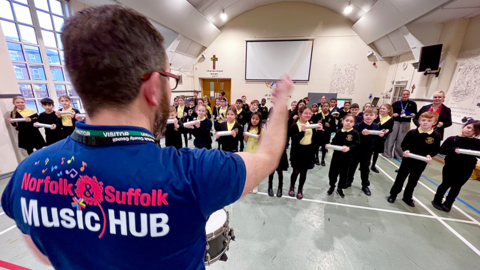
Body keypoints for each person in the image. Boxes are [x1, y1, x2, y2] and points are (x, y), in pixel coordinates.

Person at [1, 6, 293, 269]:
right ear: (153, 86)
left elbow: (40, 247)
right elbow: (267, 158)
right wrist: (281, 103)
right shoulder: (193, 174)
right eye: (169, 78)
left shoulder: (29, 173)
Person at [388, 112, 441, 207]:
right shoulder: (412, 132)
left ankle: (407, 197)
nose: (425, 122)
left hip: (421, 162)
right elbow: (404, 144)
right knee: (400, 178)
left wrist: (430, 155)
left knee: (413, 180)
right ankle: (393, 194)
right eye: (423, 120)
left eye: (429, 121)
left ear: (435, 122)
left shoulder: (436, 135)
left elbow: (436, 149)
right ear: (419, 121)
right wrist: (406, 150)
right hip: (408, 160)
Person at [432, 121, 480, 212]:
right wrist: (453, 150)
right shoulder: (452, 139)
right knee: (445, 184)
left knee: (457, 186)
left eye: (473, 130)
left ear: (476, 133)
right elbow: (441, 150)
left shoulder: (477, 142)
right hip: (451, 166)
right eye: (468, 127)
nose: (469, 130)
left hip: (467, 168)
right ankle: (436, 200)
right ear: (464, 127)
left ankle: (448, 203)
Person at [347, 108, 385, 196]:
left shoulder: (376, 126)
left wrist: (381, 136)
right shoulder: (358, 125)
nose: (368, 117)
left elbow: (376, 139)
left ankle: (365, 185)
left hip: (368, 150)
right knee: (352, 166)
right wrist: (361, 134)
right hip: (357, 149)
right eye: (366, 115)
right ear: (363, 116)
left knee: (365, 168)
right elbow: (352, 137)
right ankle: (348, 181)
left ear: (375, 116)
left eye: (371, 115)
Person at [289, 106, 323, 199]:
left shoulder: (312, 125)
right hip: (297, 151)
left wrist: (319, 131)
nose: (308, 115)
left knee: (304, 172)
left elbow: (317, 140)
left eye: (309, 113)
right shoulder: (294, 126)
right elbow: (294, 140)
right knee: (295, 171)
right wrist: (302, 132)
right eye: (306, 113)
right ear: (300, 114)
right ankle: (292, 186)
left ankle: (300, 189)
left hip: (308, 151)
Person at [326, 114, 360, 198]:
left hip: (347, 159)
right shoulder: (339, 131)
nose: (348, 123)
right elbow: (334, 142)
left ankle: (340, 188)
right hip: (336, 157)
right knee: (332, 173)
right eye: (347, 120)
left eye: (351, 121)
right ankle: (332, 186)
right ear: (342, 121)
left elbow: (357, 145)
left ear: (354, 123)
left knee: (344, 174)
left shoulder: (355, 133)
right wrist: (329, 145)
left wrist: (349, 148)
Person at [384, 90, 418, 160]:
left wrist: (414, 115)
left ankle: (399, 155)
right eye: (404, 94)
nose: (405, 96)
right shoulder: (396, 103)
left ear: (409, 95)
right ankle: (387, 154)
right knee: (391, 138)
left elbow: (415, 114)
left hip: (405, 123)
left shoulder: (413, 104)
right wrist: (393, 115)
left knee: (401, 139)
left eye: (407, 94)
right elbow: (390, 113)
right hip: (395, 122)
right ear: (401, 95)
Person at [244, 111, 264, 193]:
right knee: (249, 169)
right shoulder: (248, 128)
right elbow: (246, 141)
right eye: (253, 118)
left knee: (255, 169)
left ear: (260, 120)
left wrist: (261, 139)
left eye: (256, 119)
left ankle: (255, 185)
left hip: (257, 152)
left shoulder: (262, 130)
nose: (254, 120)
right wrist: (245, 136)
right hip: (249, 151)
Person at [371, 104, 394, 173]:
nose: (381, 110)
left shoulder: (390, 119)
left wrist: (388, 130)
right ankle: (364, 165)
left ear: (389, 110)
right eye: (381, 108)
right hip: (372, 136)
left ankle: (373, 166)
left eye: (384, 109)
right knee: (369, 151)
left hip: (380, 138)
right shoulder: (376, 117)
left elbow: (391, 129)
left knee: (376, 152)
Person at [319, 102, 336, 166]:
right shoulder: (318, 115)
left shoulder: (331, 117)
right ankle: (316, 158)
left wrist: (329, 126)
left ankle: (323, 159)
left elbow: (334, 129)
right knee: (316, 147)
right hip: (318, 134)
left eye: (327, 106)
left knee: (324, 148)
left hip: (326, 135)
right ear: (322, 107)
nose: (325, 107)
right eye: (324, 106)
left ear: (329, 107)